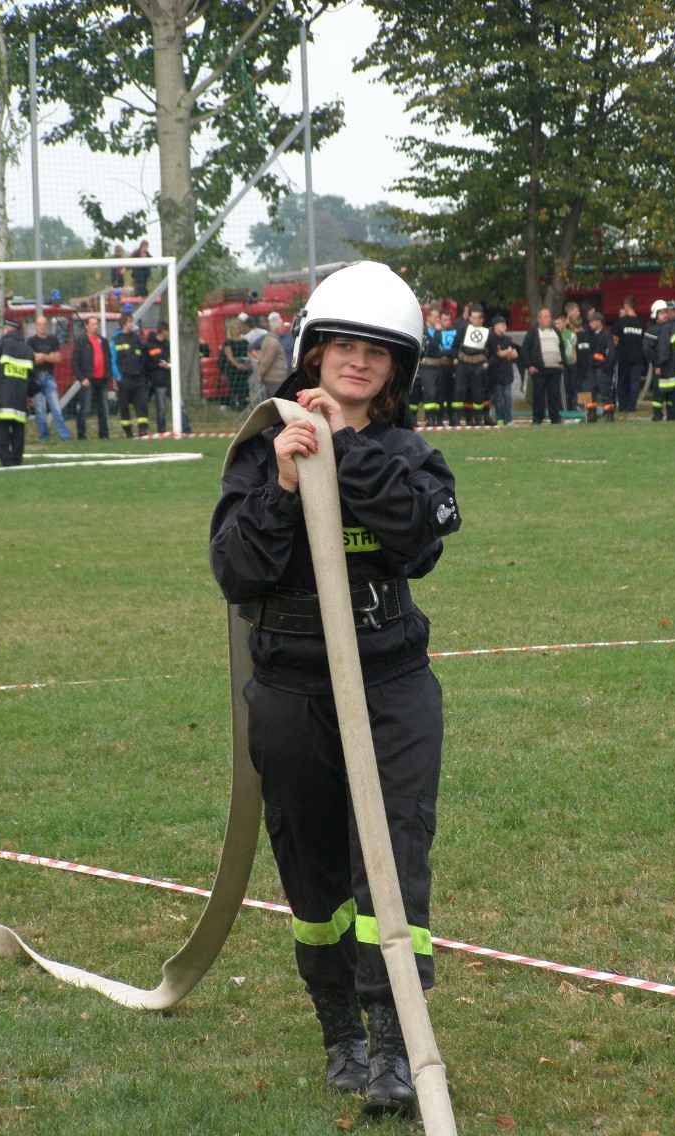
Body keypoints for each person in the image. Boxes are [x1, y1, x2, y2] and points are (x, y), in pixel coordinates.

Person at [209, 261, 461, 1119]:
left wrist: (345, 452)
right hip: (291, 688)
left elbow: (417, 538)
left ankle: (396, 1041)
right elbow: (236, 570)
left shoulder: (407, 454)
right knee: (313, 866)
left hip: (389, 685)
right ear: (313, 352)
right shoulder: (260, 446)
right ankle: (340, 1032)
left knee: (393, 860)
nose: (356, 362)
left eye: (375, 352)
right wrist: (283, 481)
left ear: (397, 369)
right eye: (341, 347)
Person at [0, 317, 38, 467]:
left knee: (0, 429)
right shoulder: (27, 349)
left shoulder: (0, 344)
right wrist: (30, 394)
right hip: (20, 398)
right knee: (18, 429)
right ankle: (17, 459)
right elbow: (34, 376)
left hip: (2, 396)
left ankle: (7, 460)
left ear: (7, 330)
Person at [27, 315, 72, 442]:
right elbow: (32, 360)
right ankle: (44, 437)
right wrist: (48, 356)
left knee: (56, 408)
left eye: (44, 324)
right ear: (36, 326)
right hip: (35, 379)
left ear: (47, 326)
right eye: (39, 324)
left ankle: (64, 436)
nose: (42, 326)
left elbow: (57, 358)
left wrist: (42, 356)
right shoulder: (30, 342)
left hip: (49, 377)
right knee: (40, 411)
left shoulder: (53, 340)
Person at [521, 307, 566, 424]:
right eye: (545, 317)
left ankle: (555, 418)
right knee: (538, 395)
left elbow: (561, 347)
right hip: (539, 369)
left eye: (549, 316)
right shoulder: (533, 332)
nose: (548, 319)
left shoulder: (555, 331)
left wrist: (562, 363)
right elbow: (525, 349)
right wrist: (529, 366)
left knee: (554, 395)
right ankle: (537, 419)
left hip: (555, 369)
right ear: (539, 319)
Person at [73, 315, 112, 440]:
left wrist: (108, 374)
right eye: (93, 324)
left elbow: (108, 358)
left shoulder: (103, 341)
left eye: (97, 324)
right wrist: (81, 378)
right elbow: (75, 362)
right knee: (85, 408)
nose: (96, 326)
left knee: (103, 407)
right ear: (87, 326)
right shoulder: (81, 341)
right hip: (88, 379)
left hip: (102, 379)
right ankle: (81, 435)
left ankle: (104, 434)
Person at [450, 301, 490, 425]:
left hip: (478, 366)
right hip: (463, 364)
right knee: (459, 391)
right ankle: (456, 418)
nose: (474, 320)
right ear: (470, 318)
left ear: (482, 319)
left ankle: (477, 419)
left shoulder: (487, 332)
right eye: (472, 317)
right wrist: (455, 359)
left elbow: (491, 351)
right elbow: (455, 345)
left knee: (478, 392)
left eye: (477, 318)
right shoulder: (463, 328)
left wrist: (487, 363)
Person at [112, 312, 148, 437]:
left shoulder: (136, 338)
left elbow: (142, 357)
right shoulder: (116, 340)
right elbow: (113, 360)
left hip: (137, 377)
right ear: (123, 323)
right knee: (124, 406)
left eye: (131, 321)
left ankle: (143, 428)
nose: (131, 324)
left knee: (141, 403)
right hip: (124, 378)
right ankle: (127, 430)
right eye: (128, 321)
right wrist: (118, 376)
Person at [611, 296, 646, 413]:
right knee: (634, 382)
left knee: (622, 382)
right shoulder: (641, 322)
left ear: (626, 306)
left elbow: (615, 340)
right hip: (637, 357)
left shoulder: (620, 322)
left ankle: (623, 406)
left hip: (623, 357)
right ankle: (632, 407)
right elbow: (643, 340)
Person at [487, 314, 519, 424]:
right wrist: (506, 352)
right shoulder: (491, 339)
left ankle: (508, 418)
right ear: (495, 326)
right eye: (502, 324)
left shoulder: (508, 339)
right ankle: (499, 418)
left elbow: (514, 354)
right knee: (498, 398)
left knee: (508, 397)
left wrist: (508, 352)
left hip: (507, 373)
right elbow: (497, 354)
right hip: (495, 374)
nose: (505, 326)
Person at [585, 310, 616, 422]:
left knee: (605, 392)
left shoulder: (606, 336)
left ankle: (608, 415)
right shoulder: (591, 335)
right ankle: (591, 415)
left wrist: (605, 367)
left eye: (592, 322)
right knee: (589, 392)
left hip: (602, 369)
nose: (590, 324)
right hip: (592, 369)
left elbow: (610, 354)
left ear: (599, 322)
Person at [418, 306, 445, 426]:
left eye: (438, 317)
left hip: (438, 365)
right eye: (435, 317)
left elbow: (442, 348)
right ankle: (429, 417)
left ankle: (437, 417)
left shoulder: (439, 331)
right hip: (427, 366)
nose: (438, 319)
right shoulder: (424, 331)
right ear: (428, 318)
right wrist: (438, 333)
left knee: (439, 393)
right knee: (431, 392)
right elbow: (432, 346)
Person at [643, 300, 670, 420]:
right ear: (655, 314)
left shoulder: (670, 327)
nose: (665, 315)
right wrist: (656, 364)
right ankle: (657, 414)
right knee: (659, 391)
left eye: (666, 312)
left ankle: (672, 413)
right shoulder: (652, 330)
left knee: (671, 391)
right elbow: (647, 349)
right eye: (662, 312)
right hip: (659, 365)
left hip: (671, 365)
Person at [220, 319, 252, 410]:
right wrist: (237, 365)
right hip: (233, 368)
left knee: (244, 387)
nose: (235, 330)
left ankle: (244, 404)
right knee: (234, 387)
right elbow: (229, 356)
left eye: (237, 328)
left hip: (244, 367)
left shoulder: (244, 341)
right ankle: (234, 405)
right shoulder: (228, 342)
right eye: (233, 328)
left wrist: (248, 364)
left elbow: (248, 353)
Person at [256, 313, 290, 397]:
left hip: (275, 378)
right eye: (281, 327)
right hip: (274, 379)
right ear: (276, 328)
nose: (283, 329)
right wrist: (260, 373)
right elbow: (267, 360)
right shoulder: (272, 342)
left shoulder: (271, 339)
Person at [437, 310, 457, 425]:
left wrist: (449, 353)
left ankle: (452, 417)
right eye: (445, 320)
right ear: (439, 320)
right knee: (440, 393)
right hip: (440, 366)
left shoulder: (453, 332)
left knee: (451, 393)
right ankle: (439, 418)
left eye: (448, 319)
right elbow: (436, 349)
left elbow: (456, 347)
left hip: (451, 366)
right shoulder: (436, 332)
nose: (447, 322)